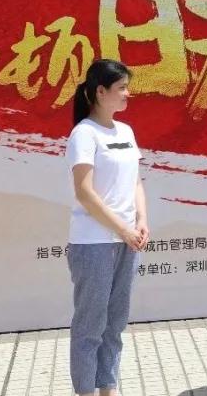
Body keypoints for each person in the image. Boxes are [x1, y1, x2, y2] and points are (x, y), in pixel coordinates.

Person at [65, 59, 148, 396]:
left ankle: (108, 389)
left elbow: (136, 182)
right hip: (93, 242)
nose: (128, 94)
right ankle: (86, 391)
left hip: (127, 241)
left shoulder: (125, 131)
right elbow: (84, 192)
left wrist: (141, 221)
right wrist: (122, 229)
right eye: (121, 88)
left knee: (114, 324)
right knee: (90, 326)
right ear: (100, 92)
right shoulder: (84, 134)